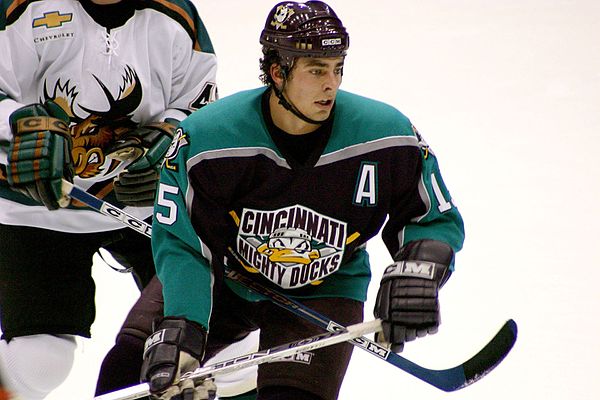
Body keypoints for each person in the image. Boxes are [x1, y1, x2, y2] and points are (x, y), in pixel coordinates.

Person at [141, 1, 466, 400]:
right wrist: (185, 321)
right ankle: (237, 369)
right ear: (278, 72)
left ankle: (243, 374)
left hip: (324, 288)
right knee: (132, 375)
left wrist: (420, 268)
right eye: (316, 70)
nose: (332, 83)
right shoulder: (207, 139)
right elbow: (182, 242)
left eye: (337, 68)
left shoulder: (387, 135)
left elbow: (431, 217)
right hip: (220, 280)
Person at [0, 0, 217, 398]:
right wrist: (18, 124)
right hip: (38, 208)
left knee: (203, 339)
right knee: (39, 362)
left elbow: (198, 101)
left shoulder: (175, 14)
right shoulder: (23, 8)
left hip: (148, 210)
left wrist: (170, 140)